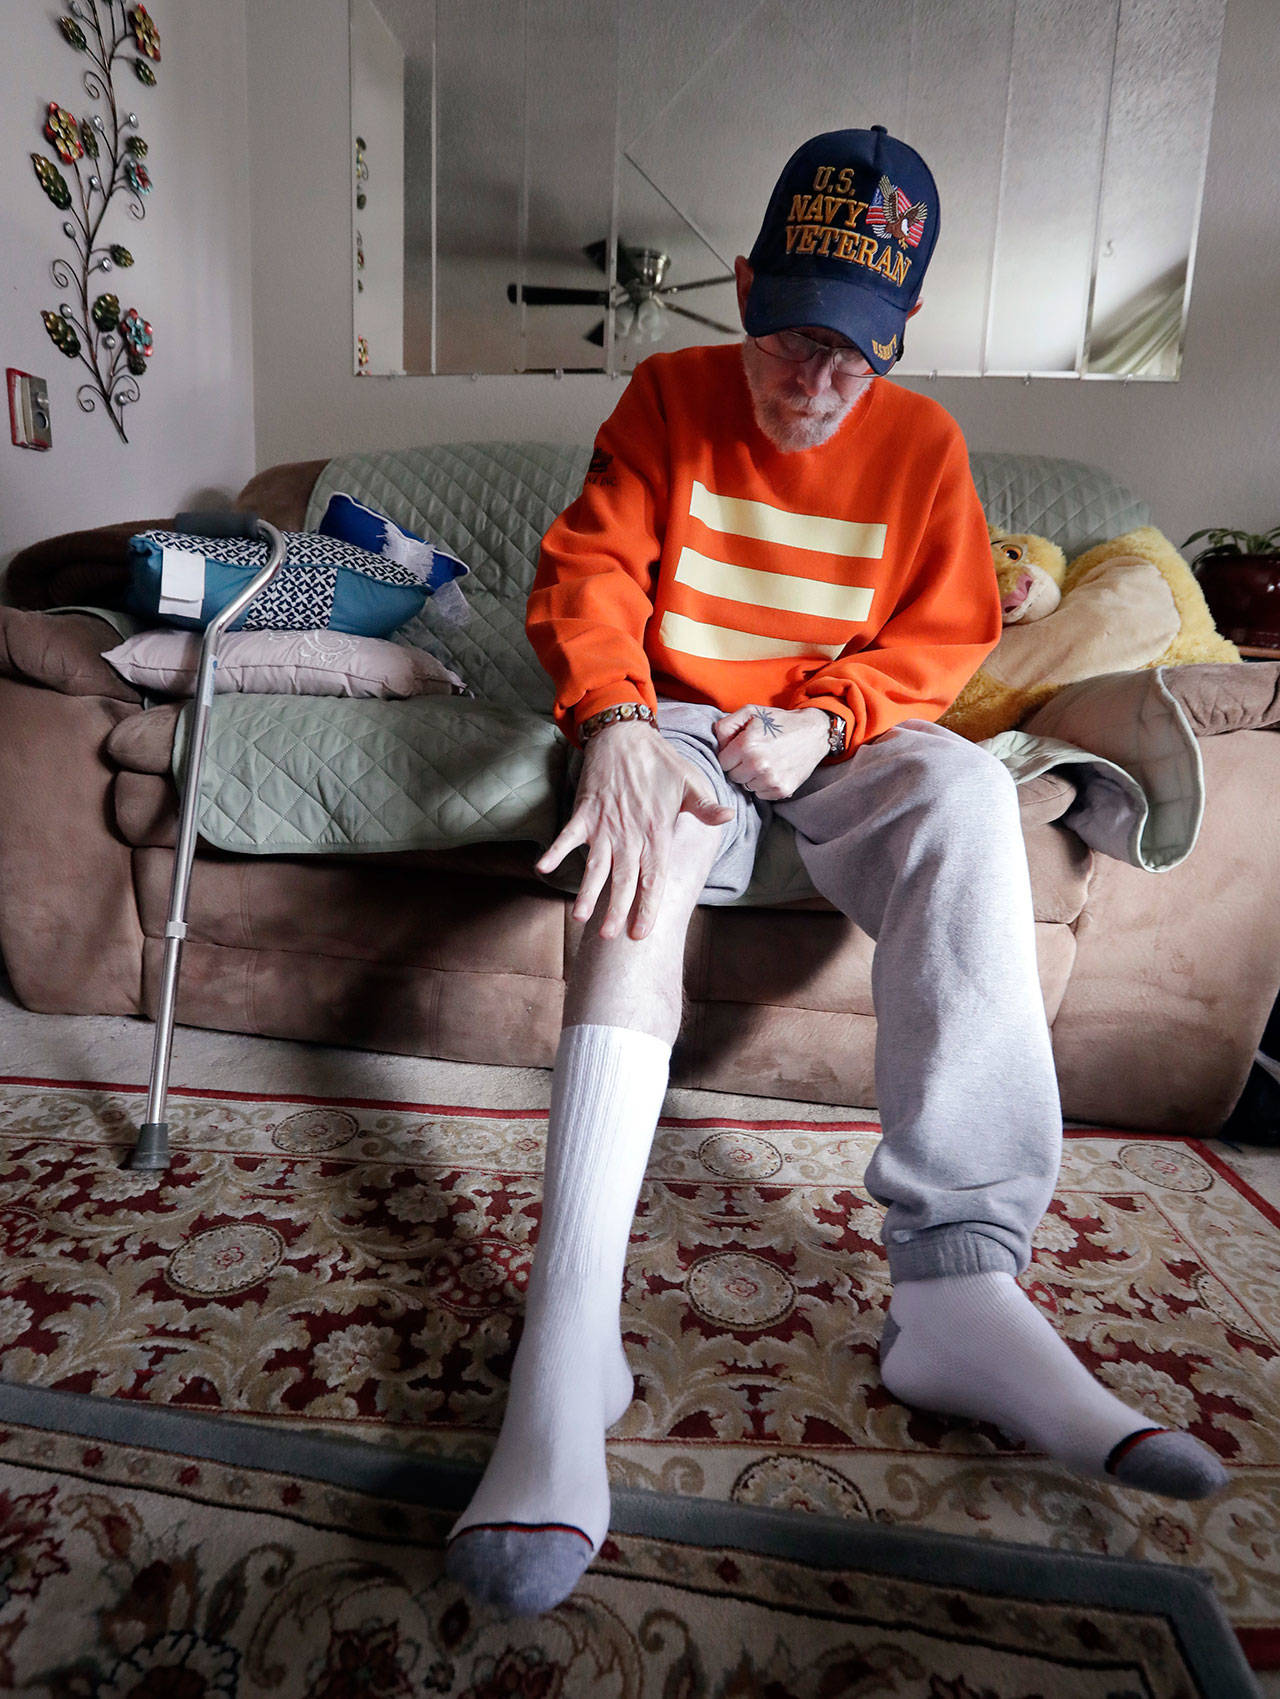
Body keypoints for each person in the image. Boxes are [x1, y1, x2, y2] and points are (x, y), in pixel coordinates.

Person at [445, 126, 1227, 1616]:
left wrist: (826, 720)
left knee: (958, 791)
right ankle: (570, 1346)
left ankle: (960, 1296)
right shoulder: (668, 397)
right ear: (742, 291)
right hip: (674, 723)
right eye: (791, 341)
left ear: (898, 343)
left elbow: (938, 648)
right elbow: (592, 573)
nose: (814, 385)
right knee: (647, 820)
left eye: (851, 359)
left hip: (824, 736)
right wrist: (612, 719)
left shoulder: (924, 448)